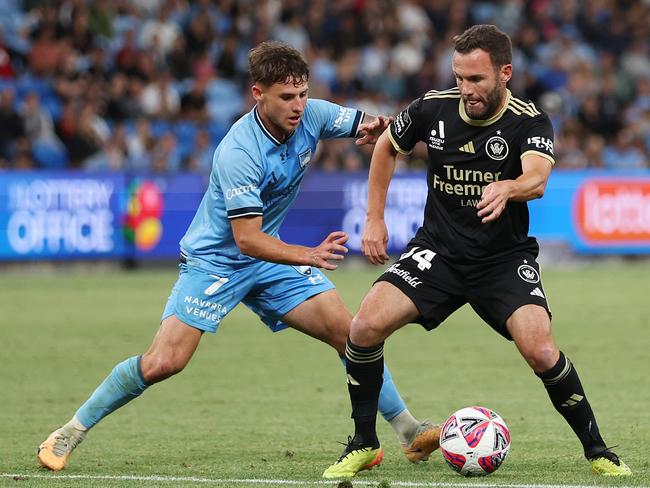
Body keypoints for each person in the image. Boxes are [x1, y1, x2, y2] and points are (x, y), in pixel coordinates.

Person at [37, 41, 440, 472]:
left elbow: (368, 124)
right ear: (257, 94)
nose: (298, 106)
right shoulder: (238, 152)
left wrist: (380, 127)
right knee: (163, 362)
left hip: (271, 258)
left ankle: (409, 431)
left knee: (352, 333)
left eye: (303, 94)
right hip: (217, 261)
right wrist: (308, 254)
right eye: (286, 97)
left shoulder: (314, 113)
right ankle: (70, 431)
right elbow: (246, 240)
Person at [323, 25, 632, 479]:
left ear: (504, 73)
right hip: (439, 253)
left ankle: (598, 450)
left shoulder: (529, 120)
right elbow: (388, 146)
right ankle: (365, 443)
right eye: (459, 78)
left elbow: (538, 178)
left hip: (502, 260)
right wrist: (374, 218)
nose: (465, 89)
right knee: (364, 326)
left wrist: (509, 186)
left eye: (476, 80)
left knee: (541, 351)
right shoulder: (433, 107)